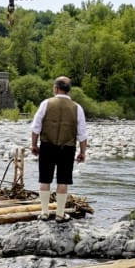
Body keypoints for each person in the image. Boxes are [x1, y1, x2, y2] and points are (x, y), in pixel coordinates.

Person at [30, 76, 89, 222]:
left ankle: (44, 213)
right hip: (67, 148)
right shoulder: (77, 108)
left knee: (45, 180)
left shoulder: (46, 103)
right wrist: (82, 152)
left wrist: (34, 145)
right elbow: (82, 133)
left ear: (56, 88)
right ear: (69, 90)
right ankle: (60, 214)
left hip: (47, 145)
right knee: (63, 181)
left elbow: (36, 127)